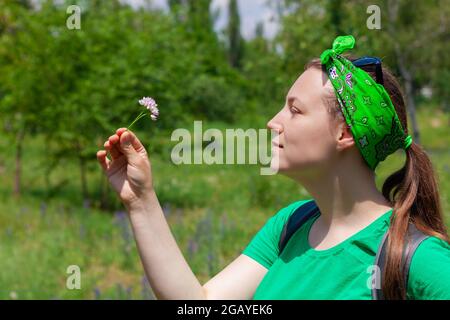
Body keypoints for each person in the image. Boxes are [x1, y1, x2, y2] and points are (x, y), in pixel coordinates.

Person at [96, 35, 450, 300]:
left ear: (344, 133)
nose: (271, 122)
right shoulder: (291, 226)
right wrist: (141, 200)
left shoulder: (415, 258)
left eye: (294, 110)